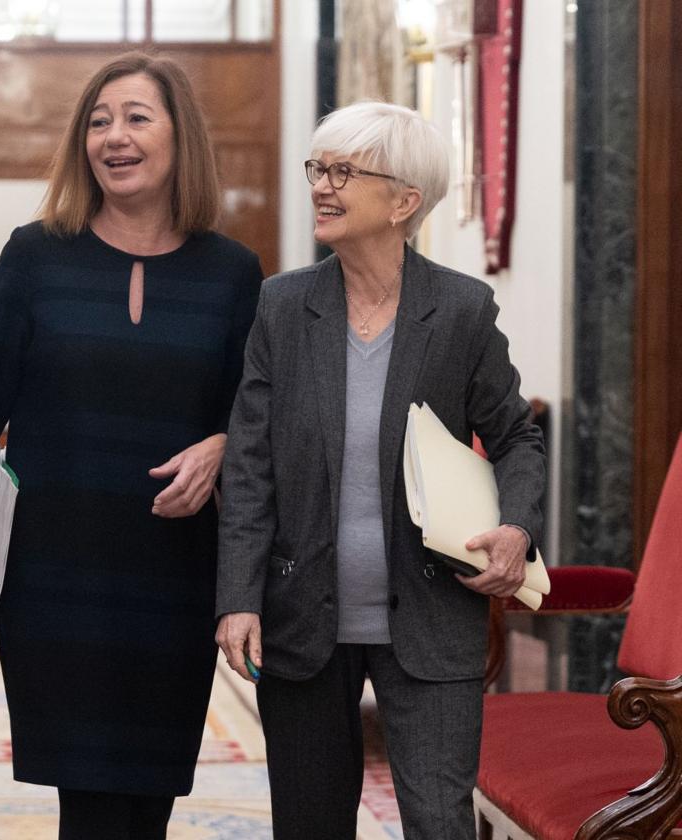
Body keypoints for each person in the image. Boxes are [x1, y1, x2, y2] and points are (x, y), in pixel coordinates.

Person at [0, 52, 262, 840]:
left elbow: (259, 419)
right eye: (97, 121)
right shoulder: (34, 256)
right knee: (85, 803)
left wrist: (222, 444)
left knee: (147, 801)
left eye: (135, 118)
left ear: (178, 136)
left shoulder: (233, 275)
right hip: (55, 574)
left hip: (175, 575)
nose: (113, 138)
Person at [215, 100, 546, 840]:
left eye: (344, 172)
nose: (322, 187)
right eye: (318, 169)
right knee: (309, 825)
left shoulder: (461, 310)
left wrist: (517, 526)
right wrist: (238, 597)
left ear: (404, 202)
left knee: (437, 822)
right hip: (302, 619)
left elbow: (519, 439)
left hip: (431, 615)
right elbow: (249, 465)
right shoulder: (282, 305)